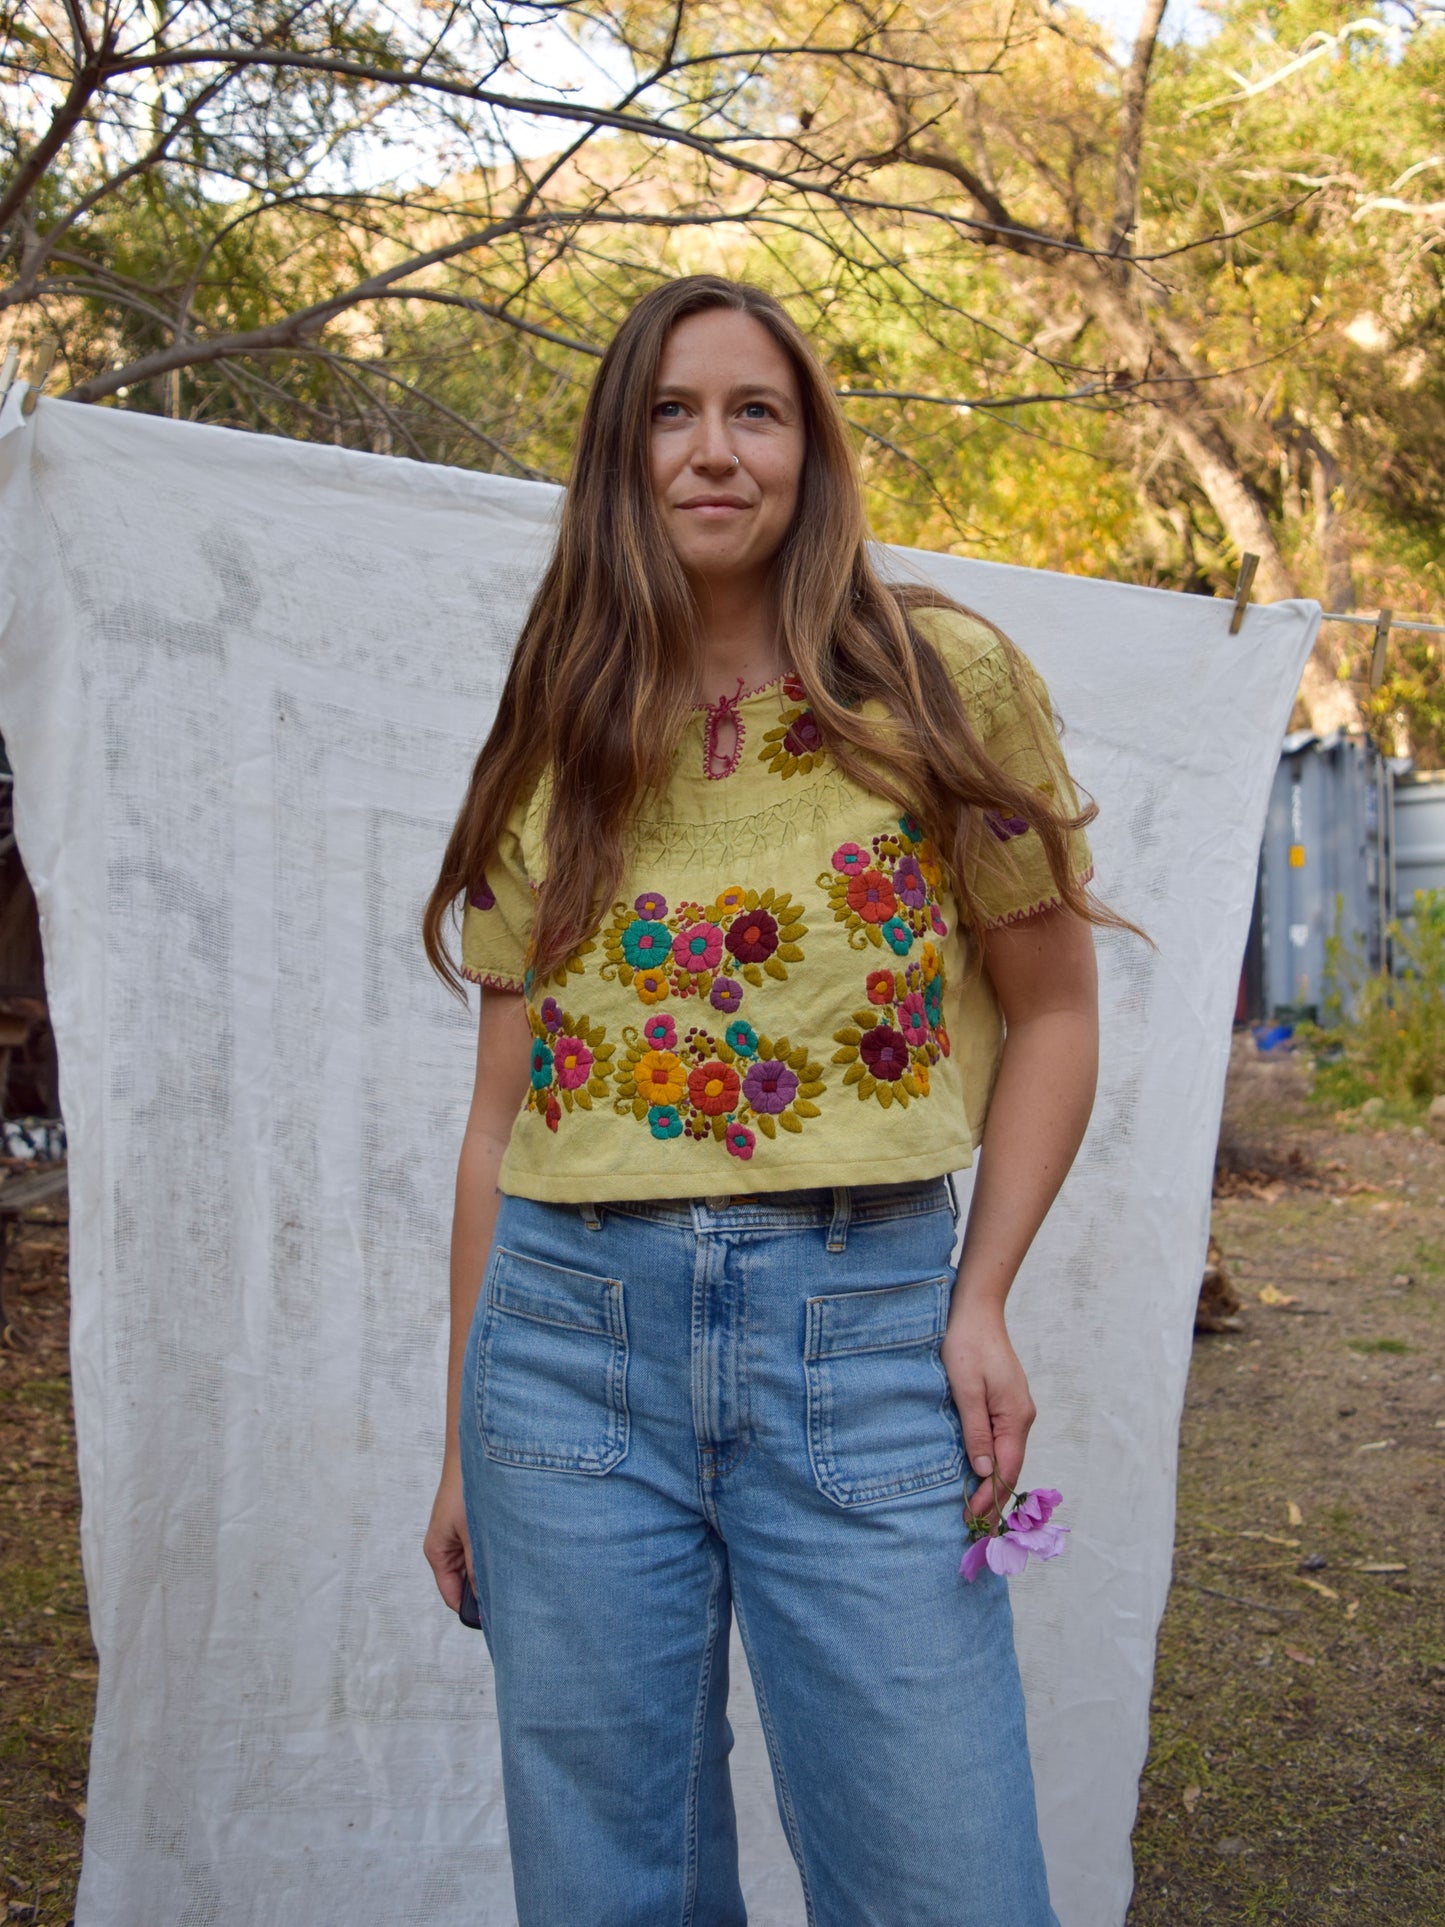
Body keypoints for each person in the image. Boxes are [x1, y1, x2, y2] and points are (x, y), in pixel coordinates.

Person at [422, 273, 1120, 1926]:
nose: (712, 450)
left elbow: (1057, 1015)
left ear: (810, 451)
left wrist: (983, 1298)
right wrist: (460, 1435)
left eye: (755, 411)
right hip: (565, 1360)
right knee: (613, 1892)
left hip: (861, 1331)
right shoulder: (556, 726)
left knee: (945, 1881)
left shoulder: (936, 681)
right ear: (618, 456)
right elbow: (495, 1118)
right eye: (670, 412)